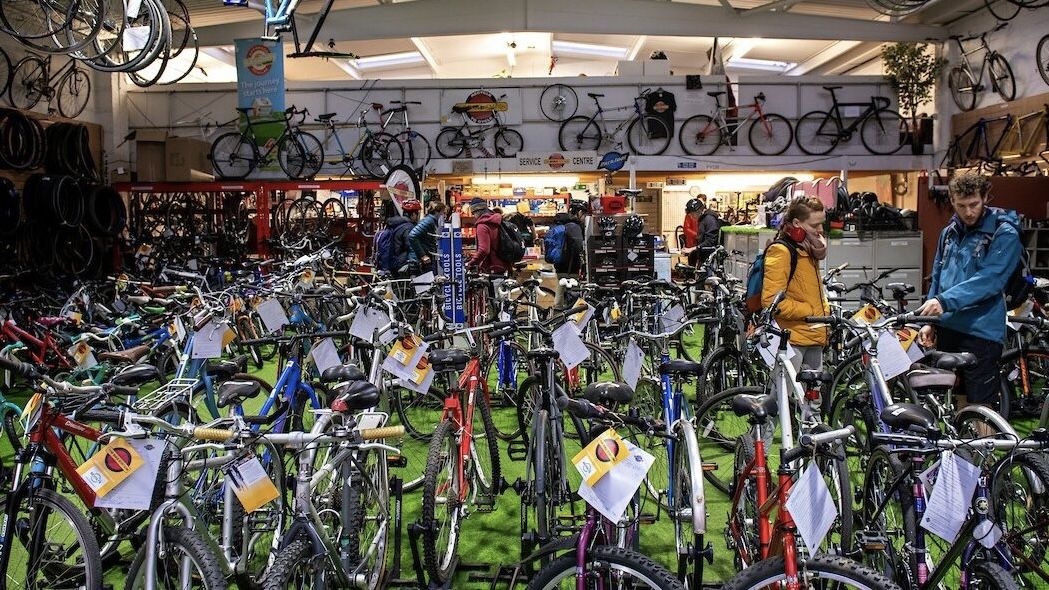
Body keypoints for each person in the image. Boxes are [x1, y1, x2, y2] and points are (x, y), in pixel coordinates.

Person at [916, 171, 1022, 411]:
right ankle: (963, 449)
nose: (968, 212)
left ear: (985, 197)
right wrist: (929, 321)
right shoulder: (949, 232)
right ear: (952, 201)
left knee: (980, 406)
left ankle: (983, 450)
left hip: (981, 333)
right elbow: (938, 277)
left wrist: (943, 302)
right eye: (961, 205)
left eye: (974, 204)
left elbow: (990, 279)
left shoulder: (1003, 233)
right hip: (949, 328)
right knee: (956, 400)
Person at [761, 196, 829, 374]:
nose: (820, 230)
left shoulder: (807, 249)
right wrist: (809, 310)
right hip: (792, 339)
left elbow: (807, 291)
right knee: (784, 399)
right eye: (814, 225)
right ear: (797, 223)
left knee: (811, 400)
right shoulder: (782, 251)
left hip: (815, 334)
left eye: (822, 224)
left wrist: (824, 310)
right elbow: (771, 301)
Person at [552, 199, 589, 306]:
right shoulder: (574, 227)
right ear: (579, 212)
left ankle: (558, 315)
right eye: (584, 213)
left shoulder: (565, 225)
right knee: (573, 296)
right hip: (570, 267)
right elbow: (577, 247)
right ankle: (563, 318)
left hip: (561, 265)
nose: (585, 217)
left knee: (560, 290)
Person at [375, 199, 420, 276]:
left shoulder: (396, 225)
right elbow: (411, 246)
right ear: (413, 214)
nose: (418, 216)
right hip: (400, 264)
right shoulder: (409, 227)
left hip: (393, 262)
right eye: (417, 214)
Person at [466, 197, 507, 275]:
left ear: (477, 211)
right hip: (504, 263)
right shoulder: (497, 220)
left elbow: (484, 250)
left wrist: (472, 263)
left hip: (491, 267)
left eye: (473, 213)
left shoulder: (482, 225)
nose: (474, 216)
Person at [408, 202, 446, 271]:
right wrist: (423, 255)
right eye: (443, 212)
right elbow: (412, 235)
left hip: (426, 258)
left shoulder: (431, 221)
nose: (443, 215)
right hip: (421, 260)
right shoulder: (428, 221)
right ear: (439, 211)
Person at [681, 197, 703, 265]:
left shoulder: (705, 217)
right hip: (692, 242)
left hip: (701, 243)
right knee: (692, 263)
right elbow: (686, 229)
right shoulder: (689, 215)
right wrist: (697, 235)